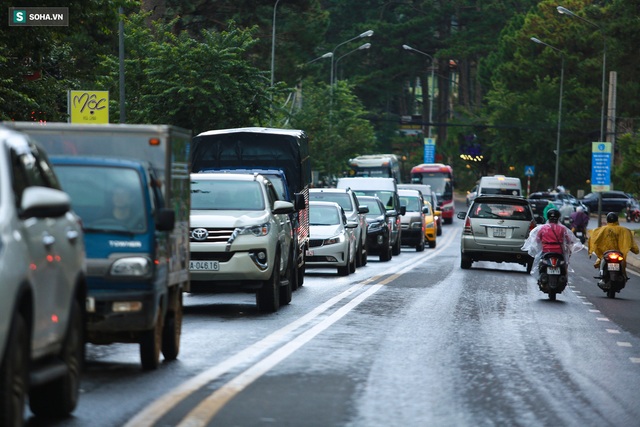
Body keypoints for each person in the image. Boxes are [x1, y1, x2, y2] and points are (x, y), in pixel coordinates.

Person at [522, 208, 583, 278]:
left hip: (545, 252)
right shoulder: (562, 229)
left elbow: (537, 240)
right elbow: (569, 240)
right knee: (564, 265)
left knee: (540, 263)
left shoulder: (542, 228)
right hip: (559, 252)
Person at [588, 212, 639, 286]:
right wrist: (636, 251)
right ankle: (623, 276)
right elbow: (631, 243)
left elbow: (594, 240)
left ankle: (602, 275)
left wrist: (590, 251)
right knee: (623, 265)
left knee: (601, 261)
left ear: (607, 220)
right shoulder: (625, 230)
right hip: (619, 254)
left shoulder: (601, 229)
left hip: (606, 253)